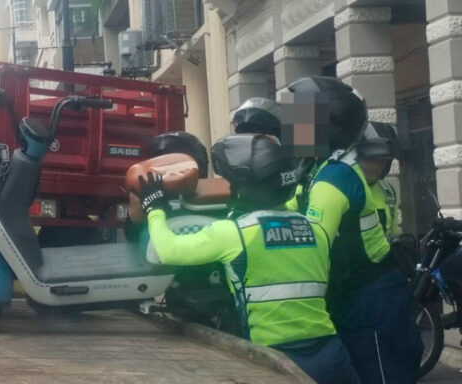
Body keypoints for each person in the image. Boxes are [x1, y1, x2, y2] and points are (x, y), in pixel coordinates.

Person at [134, 134, 360, 384]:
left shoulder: (235, 233)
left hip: (275, 360)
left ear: (244, 187)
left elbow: (168, 251)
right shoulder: (315, 229)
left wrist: (154, 208)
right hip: (330, 354)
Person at [290, 76, 422, 384]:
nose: (296, 127)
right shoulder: (331, 166)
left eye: (303, 119)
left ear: (331, 124)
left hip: (367, 297)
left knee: (381, 375)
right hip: (368, 289)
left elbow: (315, 246)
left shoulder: (334, 177)